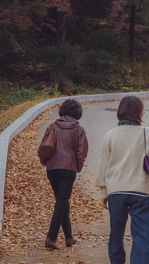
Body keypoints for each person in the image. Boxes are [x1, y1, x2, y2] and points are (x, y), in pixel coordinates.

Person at [97, 95, 149, 264]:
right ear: (139, 112)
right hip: (141, 191)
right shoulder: (147, 133)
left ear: (120, 111)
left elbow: (103, 167)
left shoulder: (110, 135)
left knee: (116, 233)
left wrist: (104, 192)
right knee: (142, 235)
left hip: (116, 191)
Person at [40, 98, 88, 250]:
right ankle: (51, 238)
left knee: (62, 201)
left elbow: (43, 147)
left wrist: (45, 162)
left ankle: (69, 237)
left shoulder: (52, 126)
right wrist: (77, 167)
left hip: (52, 168)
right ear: (77, 112)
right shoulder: (79, 129)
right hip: (68, 169)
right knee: (61, 202)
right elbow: (81, 152)